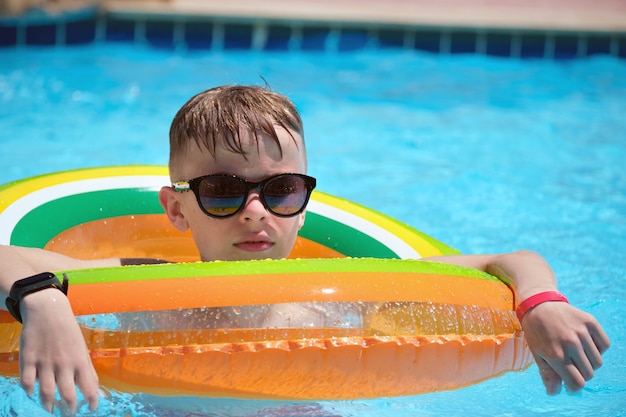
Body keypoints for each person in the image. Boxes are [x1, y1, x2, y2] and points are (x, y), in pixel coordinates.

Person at [0, 85, 610, 414]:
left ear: (306, 200)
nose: (255, 210)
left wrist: (540, 303)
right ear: (176, 209)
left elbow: (506, 263)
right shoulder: (144, 283)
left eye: (281, 190)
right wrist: (43, 302)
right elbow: (10, 255)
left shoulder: (342, 287)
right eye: (222, 191)